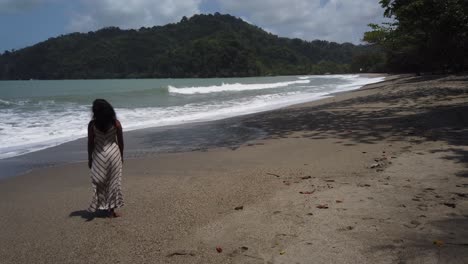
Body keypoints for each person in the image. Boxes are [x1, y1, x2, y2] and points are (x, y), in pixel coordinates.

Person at [87, 99, 124, 218]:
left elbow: (90, 143)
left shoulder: (92, 125)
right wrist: (121, 155)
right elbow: (121, 141)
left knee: (100, 182)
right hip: (114, 154)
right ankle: (111, 210)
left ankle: (102, 205)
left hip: (98, 154)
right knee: (114, 182)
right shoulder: (116, 123)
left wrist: (90, 158)